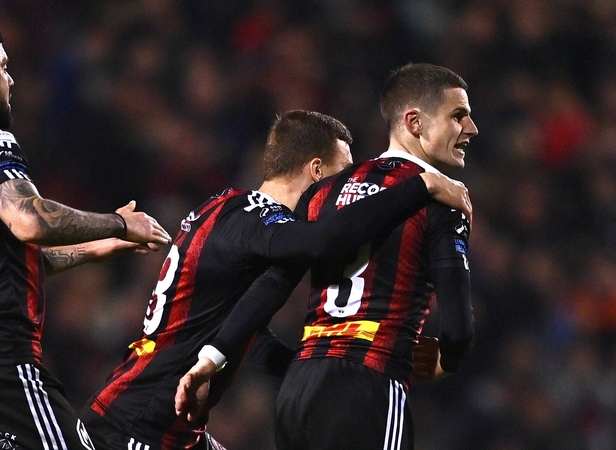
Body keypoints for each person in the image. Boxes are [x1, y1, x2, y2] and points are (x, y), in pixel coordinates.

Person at [81, 109, 472, 450]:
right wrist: (423, 186)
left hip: (162, 418)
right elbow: (324, 242)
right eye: (343, 176)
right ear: (317, 171)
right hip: (142, 422)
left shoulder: (225, 209)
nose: (346, 192)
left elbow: (246, 336)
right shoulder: (259, 220)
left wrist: (319, 362)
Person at [0, 18, 172, 450]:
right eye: (3, 67)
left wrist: (92, 248)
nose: (10, 79)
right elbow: (29, 220)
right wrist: (120, 222)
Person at [177, 63, 477, 450]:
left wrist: (212, 357)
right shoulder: (441, 199)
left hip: (299, 389)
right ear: (415, 123)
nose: (471, 129)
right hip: (369, 384)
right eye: (459, 116)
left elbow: (272, 286)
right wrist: (447, 360)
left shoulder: (325, 192)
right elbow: (458, 329)